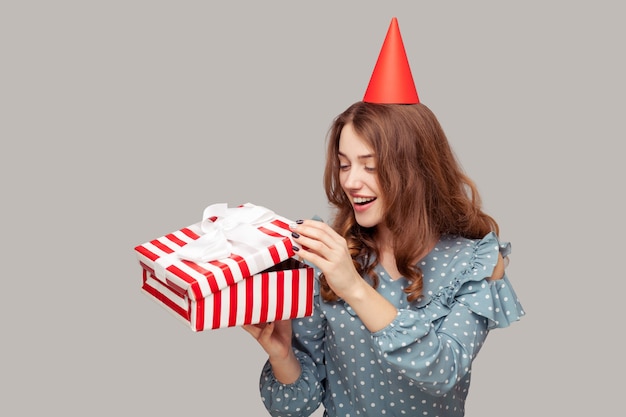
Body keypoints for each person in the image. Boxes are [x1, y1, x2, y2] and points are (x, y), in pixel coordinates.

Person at [243, 17, 525, 417]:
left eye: (370, 166)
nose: (351, 182)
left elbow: (443, 369)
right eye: (344, 165)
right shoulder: (330, 252)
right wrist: (282, 355)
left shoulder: (476, 262)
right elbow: (295, 406)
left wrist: (353, 286)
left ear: (417, 168)